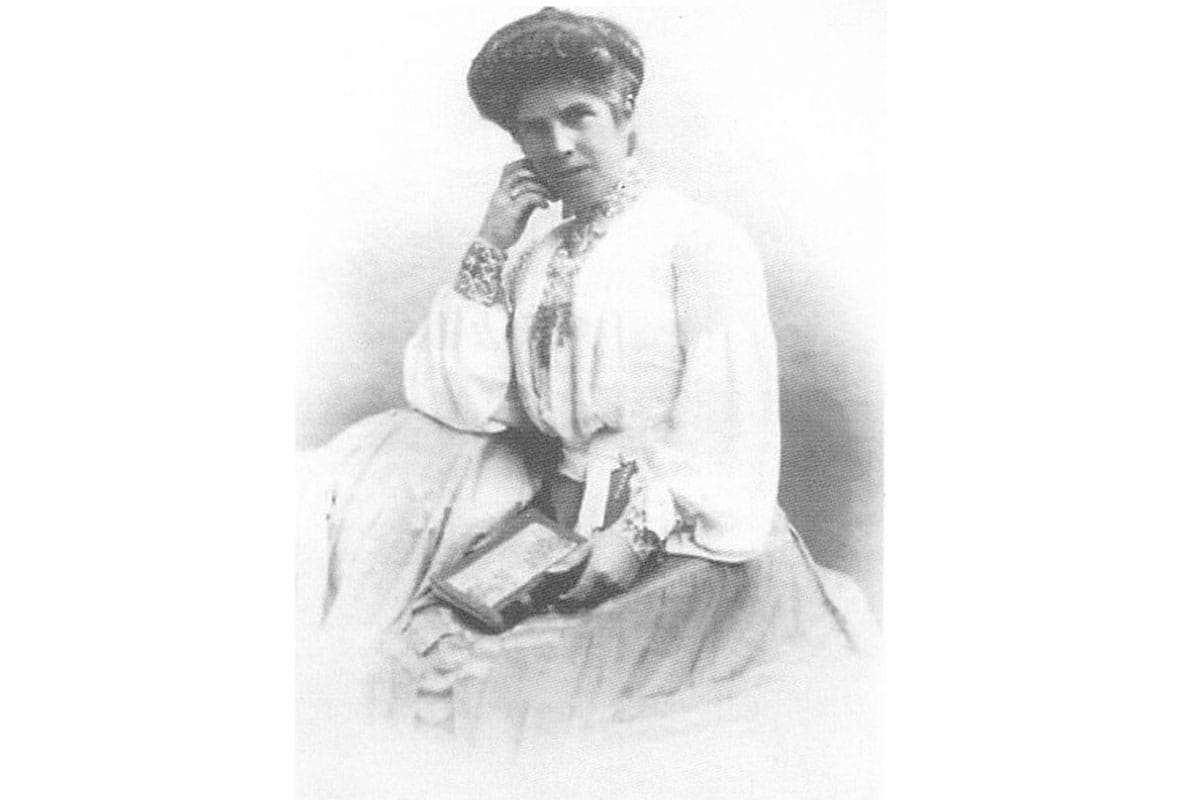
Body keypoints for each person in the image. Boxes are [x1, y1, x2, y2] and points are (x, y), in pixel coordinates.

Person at [299, 7, 878, 746]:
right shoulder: (536, 259)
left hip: (686, 539)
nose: (559, 145)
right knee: (415, 651)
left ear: (624, 115)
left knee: (500, 691)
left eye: (579, 115)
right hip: (557, 525)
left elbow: (727, 419)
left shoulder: (697, 240)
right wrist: (492, 243)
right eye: (534, 128)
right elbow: (463, 400)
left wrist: (634, 535)